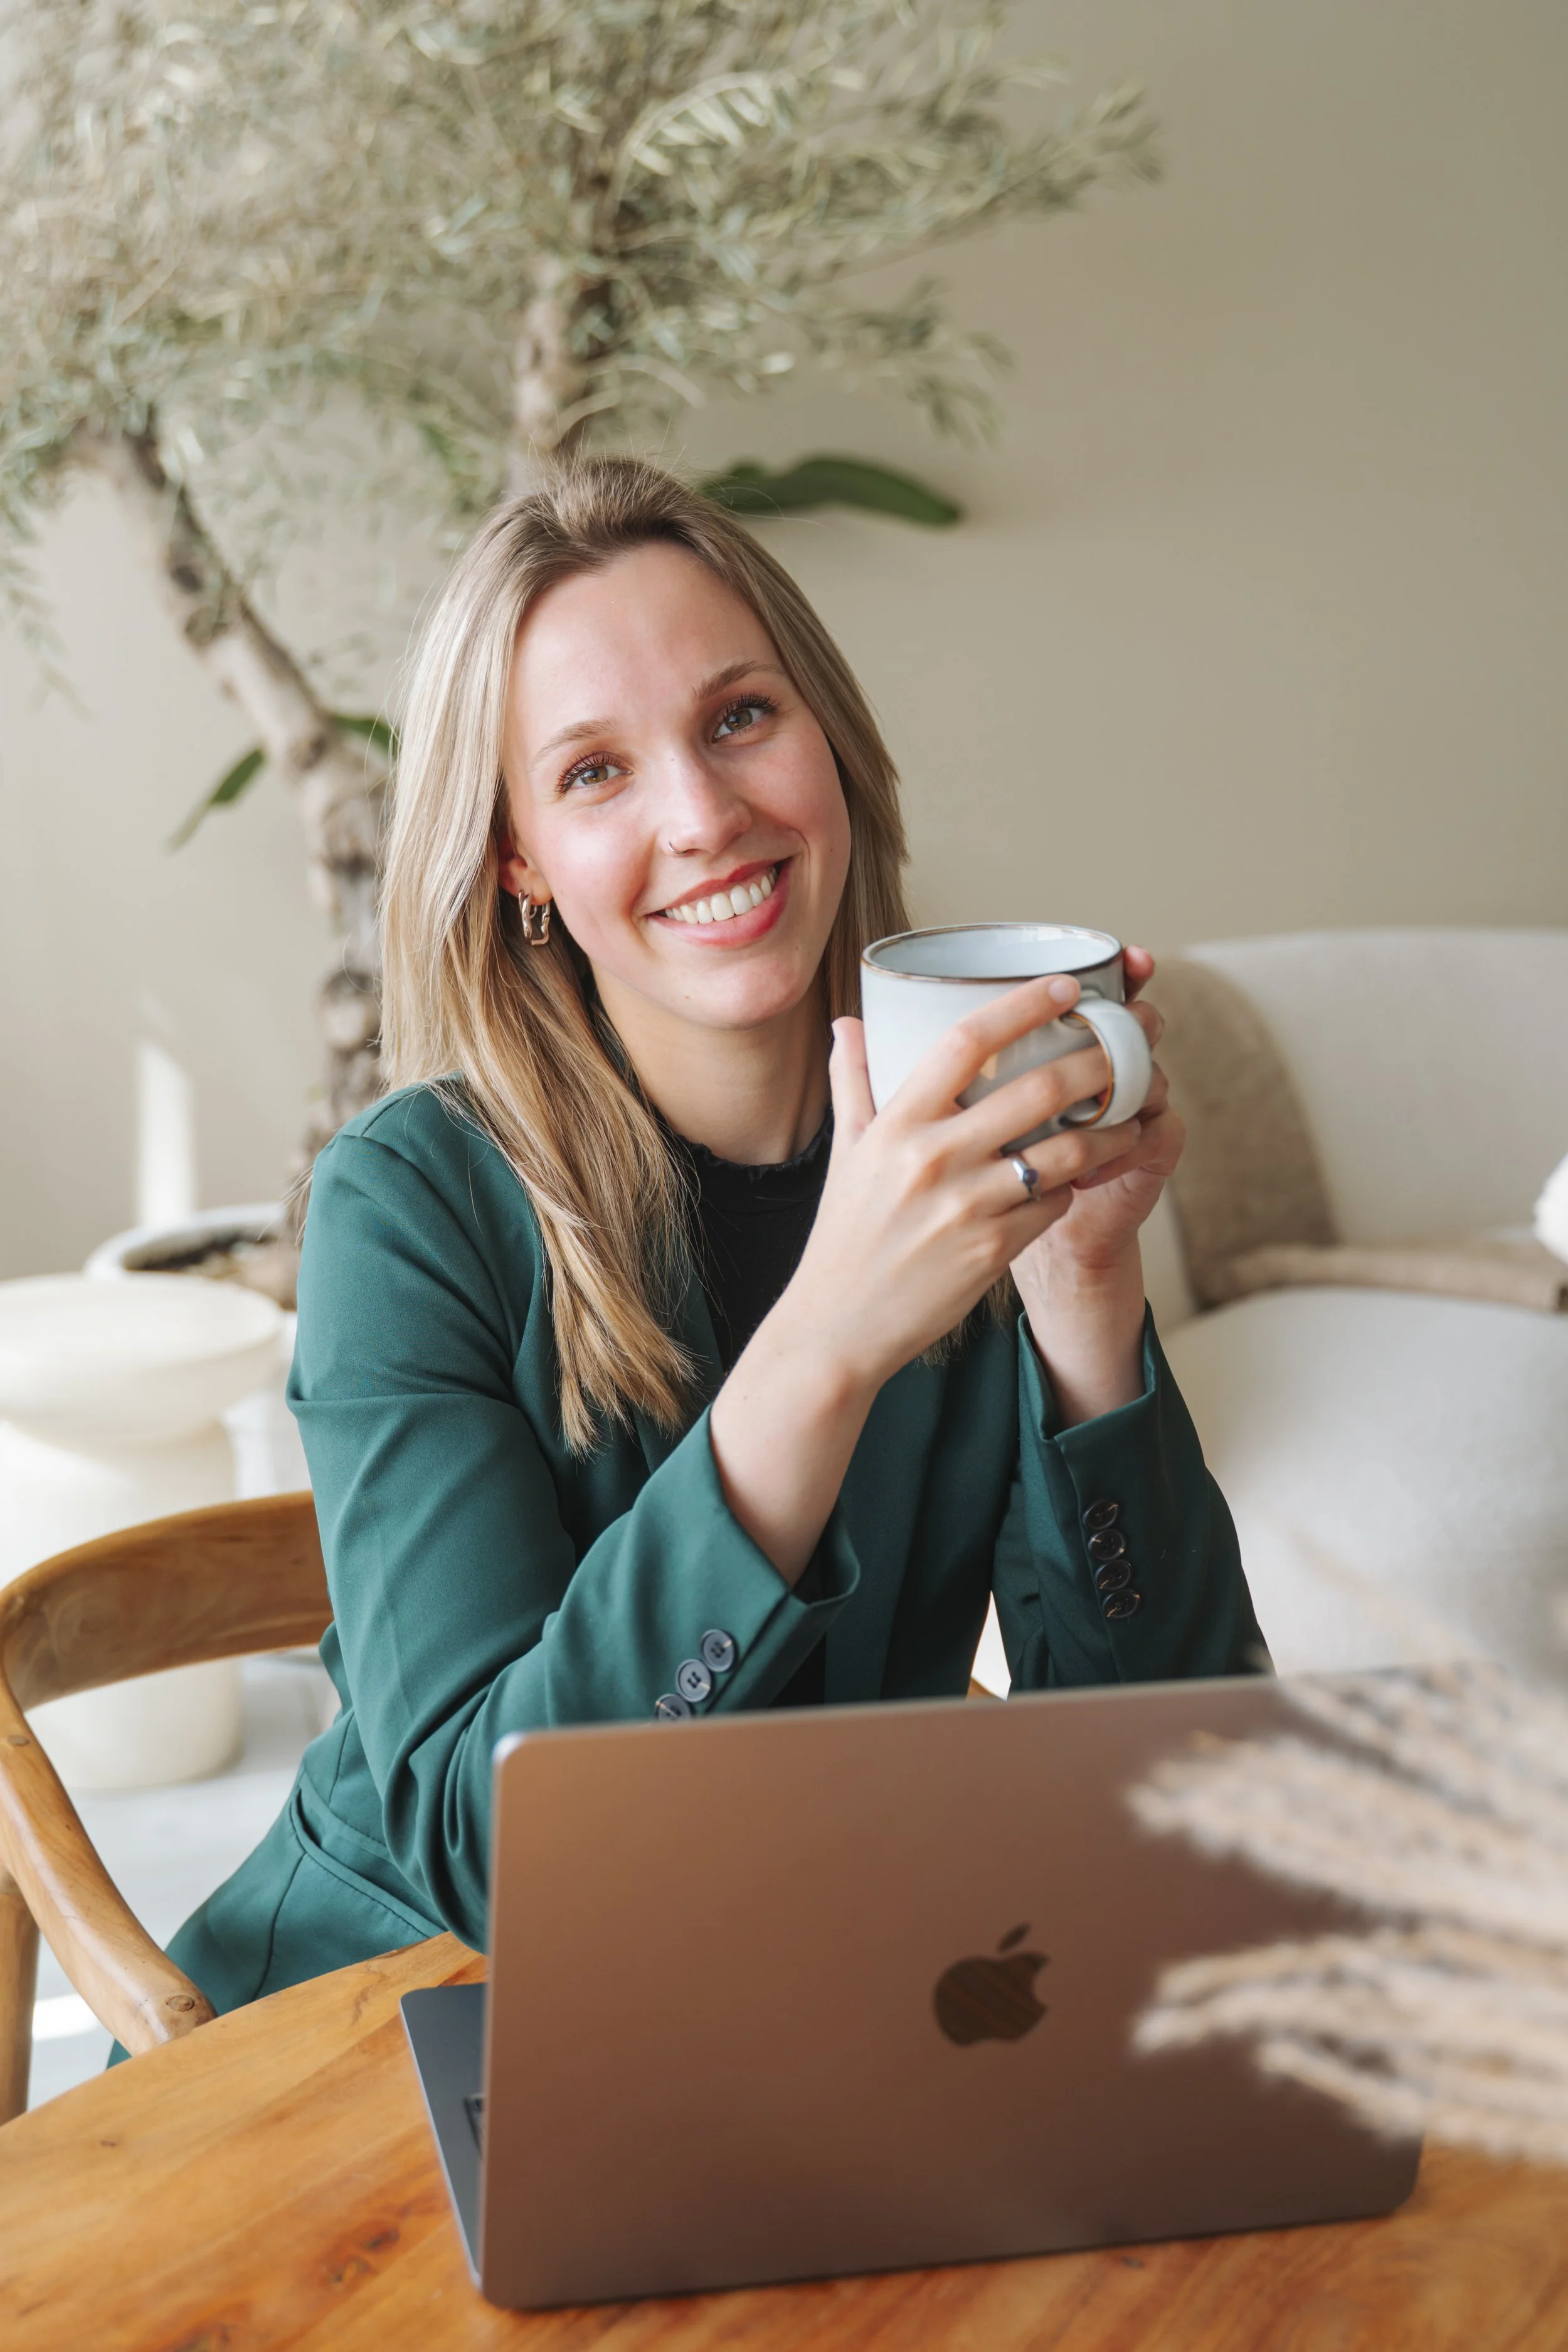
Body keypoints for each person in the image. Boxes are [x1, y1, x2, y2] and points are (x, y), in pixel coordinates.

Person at [166, 457, 1263, 2017]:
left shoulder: (959, 1163)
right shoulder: (410, 1206)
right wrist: (823, 1348)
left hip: (785, 2008)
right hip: (385, 2016)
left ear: (830, 743)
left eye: (739, 716)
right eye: (592, 773)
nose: (701, 817)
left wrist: (1083, 1291)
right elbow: (491, 1858)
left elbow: (1178, 1793)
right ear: (517, 860)